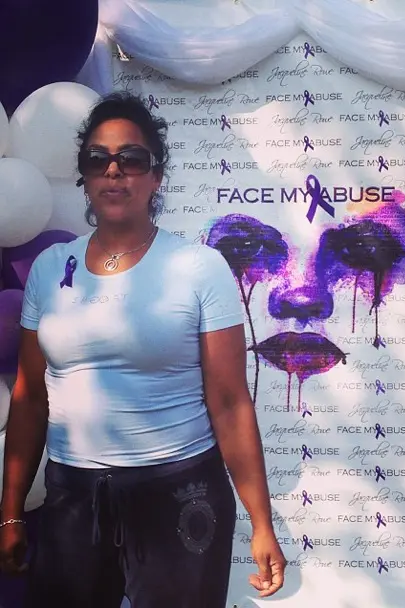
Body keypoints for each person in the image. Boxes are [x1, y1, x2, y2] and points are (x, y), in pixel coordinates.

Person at [0, 91, 286, 607]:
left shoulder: (198, 268)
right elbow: (29, 398)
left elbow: (229, 402)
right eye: (98, 159)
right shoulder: (49, 268)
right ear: (84, 176)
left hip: (178, 495)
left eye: (131, 158)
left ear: (156, 176)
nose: (114, 171)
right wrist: (11, 511)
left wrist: (261, 522)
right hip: (72, 501)